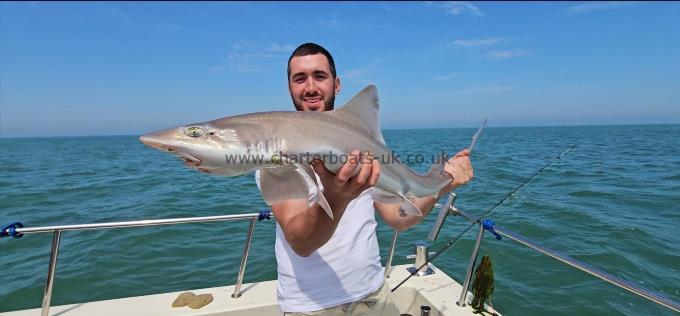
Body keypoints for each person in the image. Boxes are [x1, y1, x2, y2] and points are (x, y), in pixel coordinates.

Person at [257, 43, 473, 315]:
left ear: (336, 85)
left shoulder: (363, 148)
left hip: (374, 297)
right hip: (310, 308)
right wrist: (337, 197)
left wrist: (443, 185)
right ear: (289, 86)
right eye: (300, 78)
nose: (310, 87)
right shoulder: (276, 155)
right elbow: (302, 243)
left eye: (319, 76)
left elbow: (399, 217)